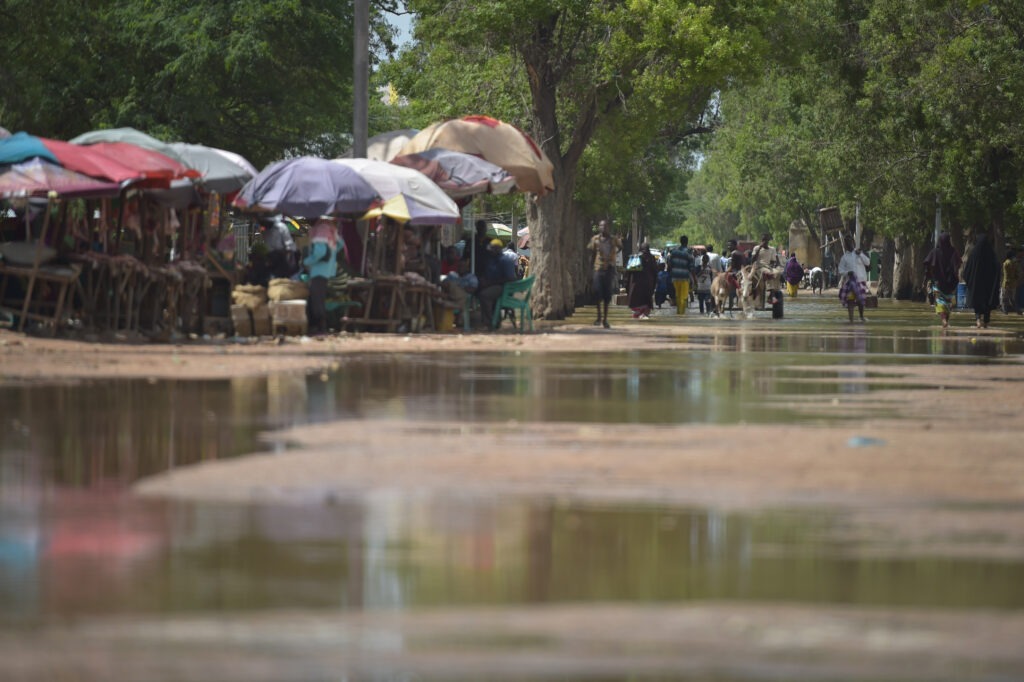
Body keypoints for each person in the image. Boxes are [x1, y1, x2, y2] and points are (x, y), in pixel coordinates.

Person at [303, 216, 341, 336]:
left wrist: (306, 261)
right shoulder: (331, 228)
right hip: (327, 270)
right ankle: (319, 326)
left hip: (318, 270)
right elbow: (340, 244)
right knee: (318, 298)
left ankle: (321, 327)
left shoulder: (321, 229)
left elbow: (320, 252)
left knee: (317, 300)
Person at [477, 238, 520, 329]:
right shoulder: (491, 260)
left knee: (484, 295)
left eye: (493, 248)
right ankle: (492, 320)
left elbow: (509, 278)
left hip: (504, 288)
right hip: (493, 285)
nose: (491, 250)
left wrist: (490, 283)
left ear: (498, 248)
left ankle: (489, 322)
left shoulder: (505, 260)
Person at [962, 232, 1001, 329]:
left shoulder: (974, 254)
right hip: (989, 286)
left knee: (977, 303)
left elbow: (967, 270)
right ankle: (986, 323)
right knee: (987, 304)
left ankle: (978, 320)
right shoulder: (992, 255)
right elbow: (998, 268)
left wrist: (969, 281)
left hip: (976, 285)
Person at [587, 219, 622, 328]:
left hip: (609, 269)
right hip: (598, 268)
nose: (603, 228)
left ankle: (605, 319)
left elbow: (621, 247)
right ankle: (598, 316)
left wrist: (613, 255)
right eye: (601, 226)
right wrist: (590, 270)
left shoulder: (613, 239)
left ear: (608, 227)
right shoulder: (595, 239)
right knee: (597, 293)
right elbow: (591, 254)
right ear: (599, 227)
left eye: (605, 226)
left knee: (607, 295)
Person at [923, 231, 962, 329]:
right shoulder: (953, 251)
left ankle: (944, 321)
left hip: (938, 282)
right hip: (951, 282)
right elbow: (958, 264)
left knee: (940, 302)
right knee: (948, 302)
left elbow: (928, 264)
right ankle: (946, 322)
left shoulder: (935, 252)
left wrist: (929, 276)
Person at [261, 215, 300, 279]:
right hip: (271, 258)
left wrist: (288, 262)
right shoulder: (265, 230)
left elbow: (289, 246)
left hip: (282, 257)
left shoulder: (281, 227)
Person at [627, 242, 658, 319]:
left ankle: (638, 312)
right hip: (648, 282)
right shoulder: (651, 258)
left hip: (636, 283)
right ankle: (644, 313)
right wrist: (655, 283)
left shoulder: (636, 257)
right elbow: (655, 271)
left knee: (637, 298)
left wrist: (629, 283)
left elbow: (629, 271)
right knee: (647, 299)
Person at [668, 235, 695, 315]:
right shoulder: (689, 252)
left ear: (680, 241)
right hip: (684, 277)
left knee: (677, 295)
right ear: (687, 242)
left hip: (675, 277)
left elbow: (670, 264)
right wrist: (695, 279)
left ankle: (678, 313)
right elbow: (691, 267)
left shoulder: (674, 252)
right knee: (683, 296)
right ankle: (681, 314)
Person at [838, 237, 870, 303]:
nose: (849, 245)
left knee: (861, 302)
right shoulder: (844, 257)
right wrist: (847, 273)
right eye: (847, 243)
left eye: (850, 243)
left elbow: (868, 263)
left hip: (861, 281)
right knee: (850, 301)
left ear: (853, 243)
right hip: (850, 282)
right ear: (845, 245)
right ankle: (851, 313)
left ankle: (861, 313)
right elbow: (840, 270)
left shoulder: (860, 253)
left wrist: (860, 254)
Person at [1000, 248, 1018, 314]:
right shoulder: (1015, 263)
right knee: (1012, 298)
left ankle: (1005, 311)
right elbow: (1017, 273)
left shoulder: (1006, 263)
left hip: (1006, 283)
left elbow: (1006, 274)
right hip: (1013, 283)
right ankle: (1017, 310)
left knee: (1004, 298)